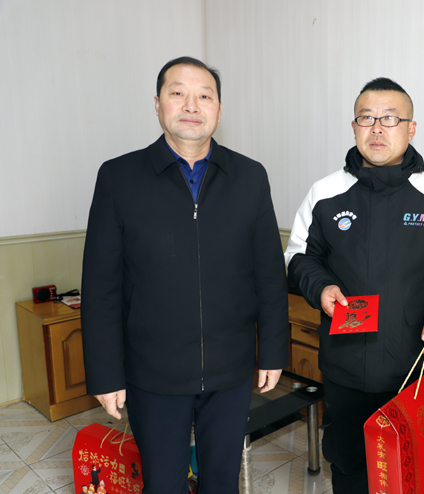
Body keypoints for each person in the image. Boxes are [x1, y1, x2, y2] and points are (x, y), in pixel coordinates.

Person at [81, 56, 288, 493]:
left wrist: (272, 351)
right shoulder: (119, 177)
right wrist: (105, 374)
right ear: (158, 104)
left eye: (205, 96)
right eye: (178, 93)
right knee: (163, 484)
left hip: (230, 370)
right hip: (152, 372)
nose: (192, 105)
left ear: (219, 109)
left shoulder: (250, 177)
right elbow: (101, 287)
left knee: (221, 482)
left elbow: (269, 275)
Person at [285, 77, 424, 493]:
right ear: (353, 126)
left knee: (408, 470)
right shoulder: (326, 193)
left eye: (389, 118)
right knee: (349, 465)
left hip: (413, 367)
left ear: (411, 128)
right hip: (345, 366)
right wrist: (321, 288)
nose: (376, 128)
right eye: (366, 118)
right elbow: (298, 256)